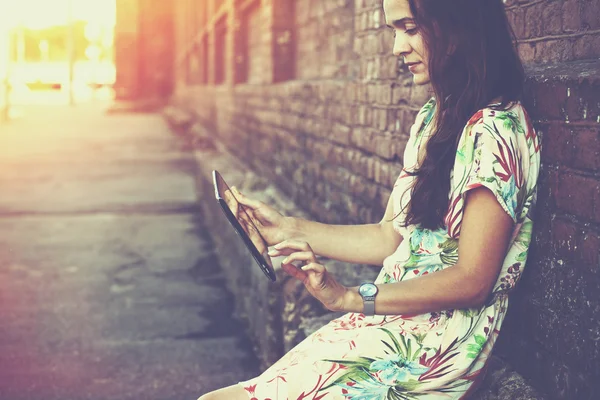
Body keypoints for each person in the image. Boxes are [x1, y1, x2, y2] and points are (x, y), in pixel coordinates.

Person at [199, 0, 540, 398]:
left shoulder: (496, 130)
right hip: (389, 324)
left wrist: (351, 297)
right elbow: (389, 237)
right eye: (394, 30)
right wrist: (285, 228)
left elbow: (473, 280)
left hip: (431, 350)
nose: (397, 47)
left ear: (458, 24)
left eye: (410, 28)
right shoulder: (435, 118)